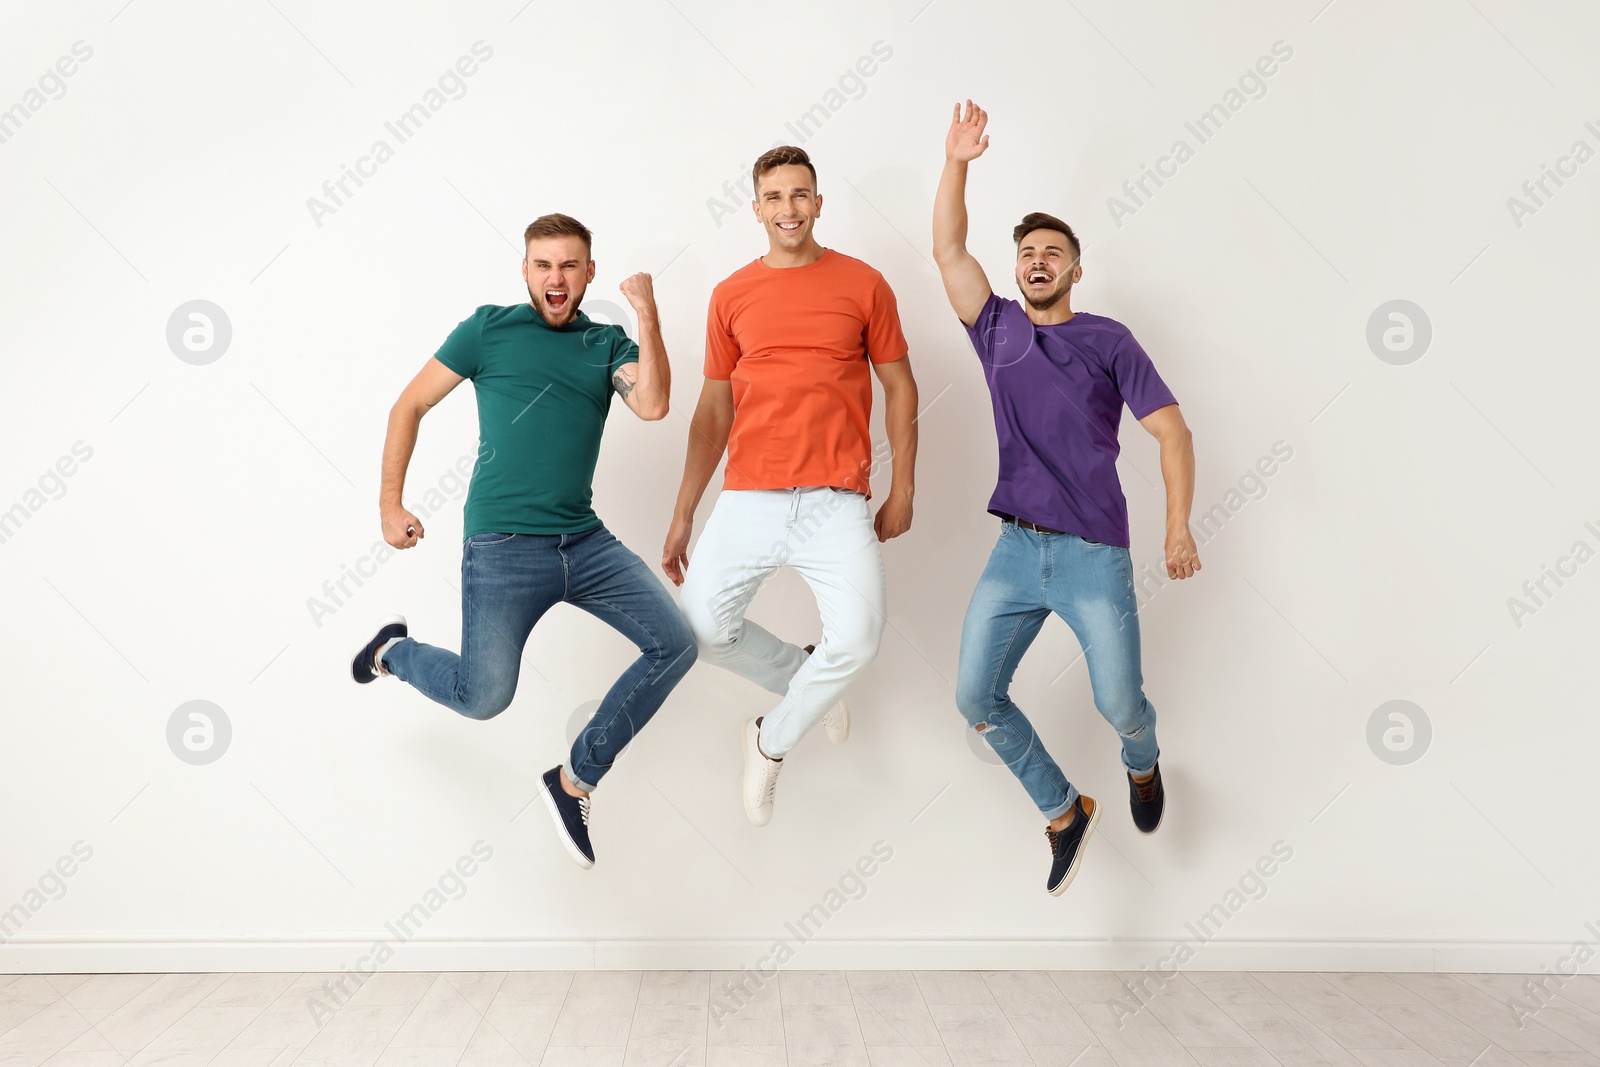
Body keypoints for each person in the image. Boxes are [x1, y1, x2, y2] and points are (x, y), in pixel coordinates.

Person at [351, 213, 697, 870]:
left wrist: (647, 314)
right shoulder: (488, 329)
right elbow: (409, 405)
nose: (556, 278)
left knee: (676, 644)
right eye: (544, 265)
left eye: (570, 265)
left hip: (585, 544)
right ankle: (395, 652)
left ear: (589, 273)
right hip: (505, 548)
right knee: (484, 697)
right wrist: (389, 502)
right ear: (526, 271)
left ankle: (574, 779)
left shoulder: (609, 342)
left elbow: (652, 405)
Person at [933, 101, 1200, 896]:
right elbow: (947, 247)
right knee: (975, 695)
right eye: (1027, 252)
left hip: (1092, 552)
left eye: (1053, 251)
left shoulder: (1109, 339)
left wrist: (1177, 527)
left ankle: (1142, 760)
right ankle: (1062, 809)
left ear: (1075, 270)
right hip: (1016, 550)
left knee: (1120, 703)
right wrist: (957, 163)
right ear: (1017, 270)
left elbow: (1174, 433)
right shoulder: (999, 332)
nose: (1037, 259)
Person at [664, 145, 919, 826]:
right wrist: (684, 510)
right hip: (749, 493)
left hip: (836, 498)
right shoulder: (731, 295)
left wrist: (905, 488)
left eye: (800, 194)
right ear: (756, 208)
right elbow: (712, 411)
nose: (788, 209)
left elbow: (900, 386)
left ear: (819, 202)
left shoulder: (864, 284)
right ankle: (806, 681)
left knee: (860, 638)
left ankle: (770, 739)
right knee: (700, 627)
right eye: (774, 197)